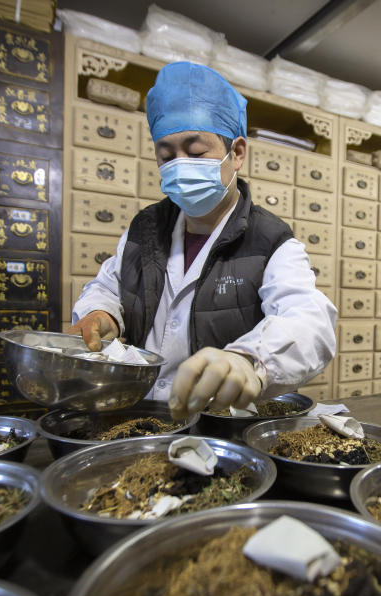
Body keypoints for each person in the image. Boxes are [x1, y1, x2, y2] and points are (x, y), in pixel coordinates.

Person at [69, 61, 337, 420]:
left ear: (237, 153)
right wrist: (100, 314)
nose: (179, 165)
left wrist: (248, 361)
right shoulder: (144, 228)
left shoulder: (271, 241)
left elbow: (309, 321)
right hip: (139, 416)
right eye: (166, 155)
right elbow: (108, 286)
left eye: (195, 153)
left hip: (221, 425)